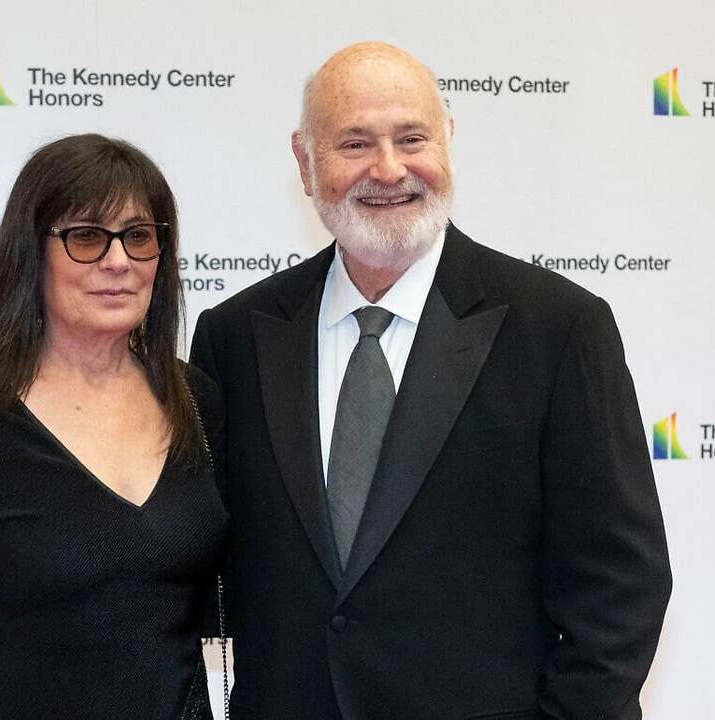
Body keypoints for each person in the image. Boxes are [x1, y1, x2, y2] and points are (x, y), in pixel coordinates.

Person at [188, 42, 672, 719]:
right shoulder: (235, 337)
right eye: (355, 143)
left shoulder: (558, 329)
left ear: (447, 140)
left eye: (411, 139)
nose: (388, 169)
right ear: (304, 161)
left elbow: (620, 586)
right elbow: (190, 555)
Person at [0, 134, 226, 719]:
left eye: (139, 236)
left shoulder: (198, 402)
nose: (118, 261)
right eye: (86, 236)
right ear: (31, 252)